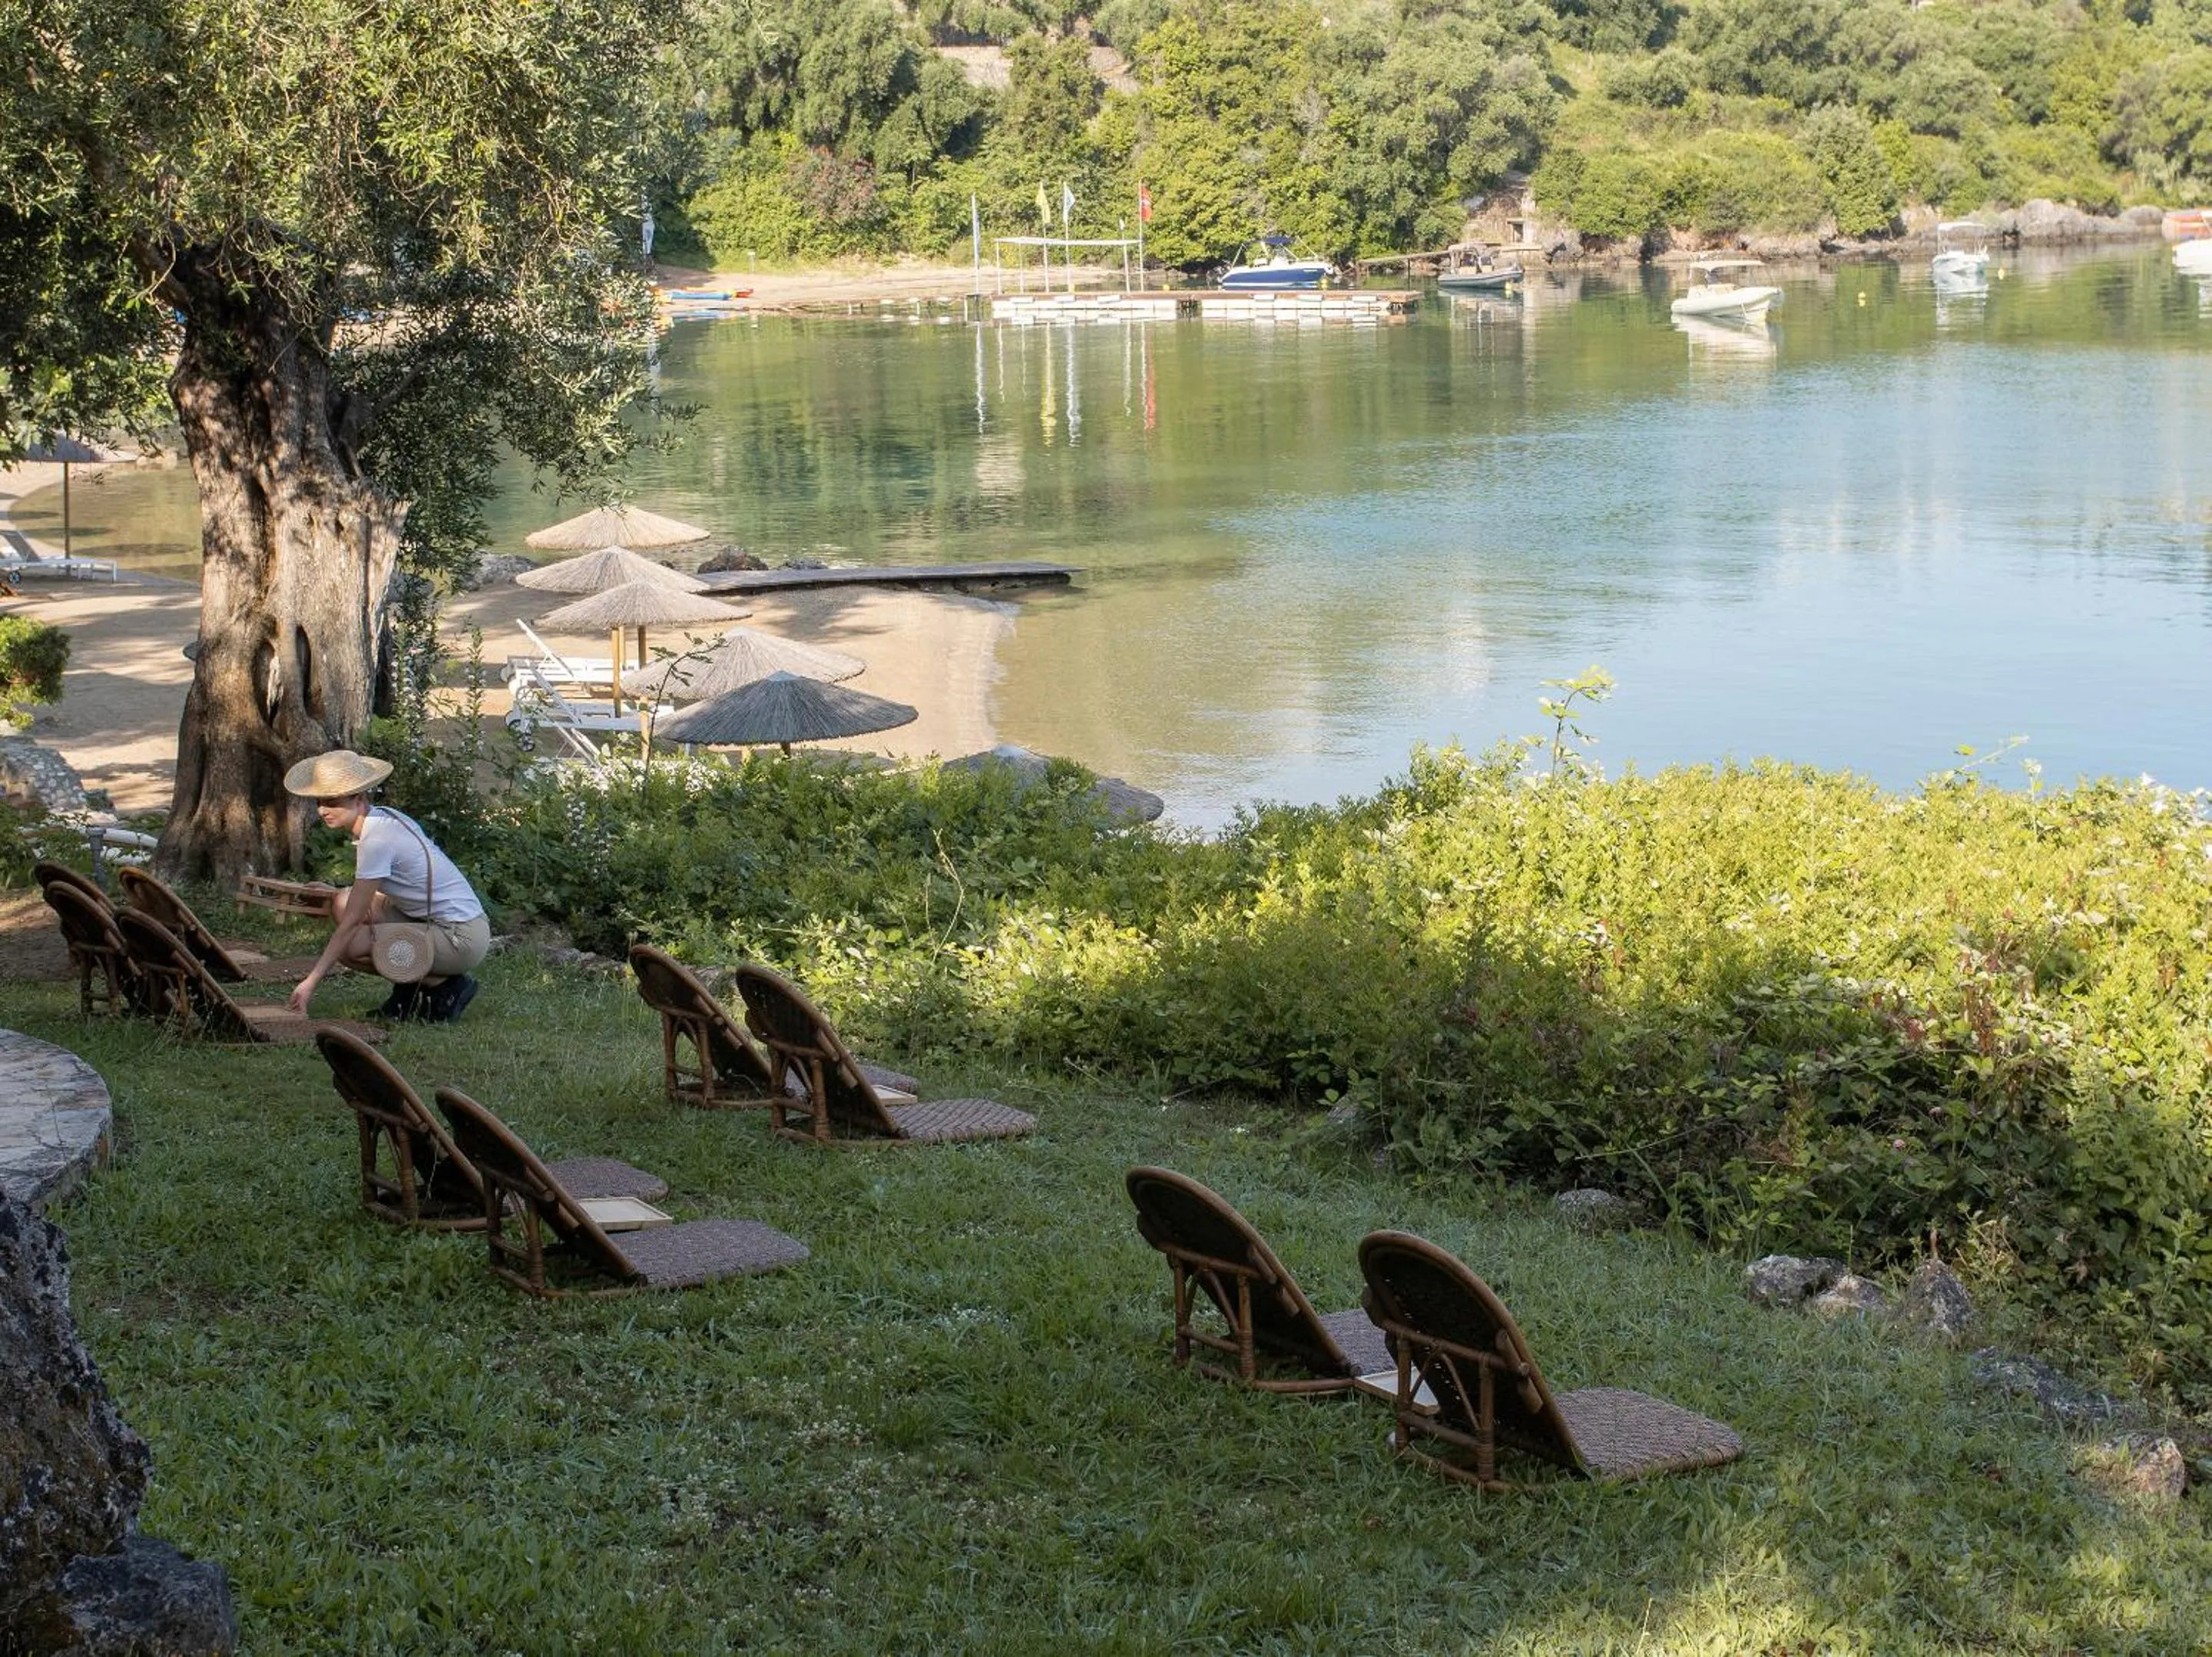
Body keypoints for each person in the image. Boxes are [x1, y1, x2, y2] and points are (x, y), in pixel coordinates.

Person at [283, 749, 491, 1024]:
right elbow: (366, 896)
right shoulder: (384, 817)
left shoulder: (376, 841)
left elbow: (353, 922)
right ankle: (408, 992)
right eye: (319, 802)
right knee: (342, 902)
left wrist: (310, 982)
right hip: (437, 919)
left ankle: (444, 987)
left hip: (461, 937)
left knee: (351, 946)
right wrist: (332, 893)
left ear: (358, 799)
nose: (322, 810)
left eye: (332, 802)